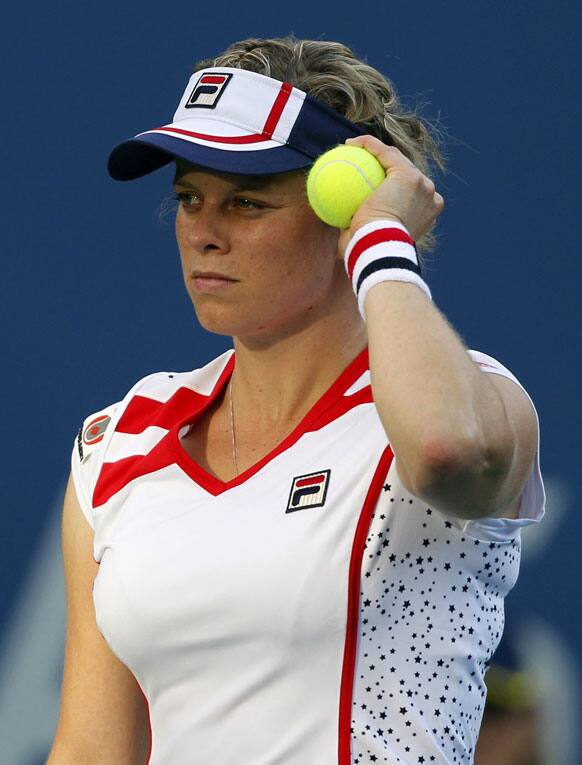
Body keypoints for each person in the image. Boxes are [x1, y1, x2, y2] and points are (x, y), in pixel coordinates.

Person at [47, 36, 545, 765]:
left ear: (341, 209)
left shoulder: (465, 398)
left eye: (248, 202)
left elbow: (447, 451)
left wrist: (380, 241)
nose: (204, 234)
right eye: (189, 198)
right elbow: (93, 747)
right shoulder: (118, 441)